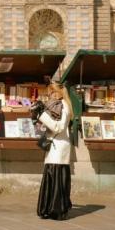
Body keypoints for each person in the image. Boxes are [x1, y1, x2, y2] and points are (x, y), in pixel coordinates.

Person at [31, 82, 73, 220]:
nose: (52, 95)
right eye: (50, 93)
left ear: (61, 92)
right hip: (54, 145)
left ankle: (57, 210)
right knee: (51, 176)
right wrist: (36, 117)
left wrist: (42, 115)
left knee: (56, 177)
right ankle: (48, 208)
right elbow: (47, 126)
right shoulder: (55, 105)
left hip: (59, 147)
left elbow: (58, 127)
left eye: (54, 92)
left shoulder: (64, 106)